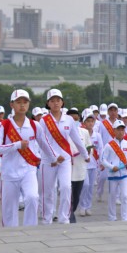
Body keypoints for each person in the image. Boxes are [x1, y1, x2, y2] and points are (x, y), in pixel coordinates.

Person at [0, 90, 52, 227]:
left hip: (28, 170)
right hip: (9, 172)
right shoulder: (4, 125)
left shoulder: (34, 125)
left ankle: (30, 230)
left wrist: (54, 158)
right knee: (9, 209)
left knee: (32, 197)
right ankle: (10, 235)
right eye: (18, 102)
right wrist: (17, 145)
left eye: (25, 102)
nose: (22, 105)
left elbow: (45, 145)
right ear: (11, 105)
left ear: (29, 104)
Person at [38, 89, 91, 225]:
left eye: (58, 100)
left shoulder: (69, 120)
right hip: (48, 160)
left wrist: (85, 154)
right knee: (48, 191)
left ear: (62, 102)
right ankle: (47, 219)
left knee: (66, 187)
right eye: (52, 101)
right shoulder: (44, 121)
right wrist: (54, 156)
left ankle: (64, 218)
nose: (55, 103)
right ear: (48, 103)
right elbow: (42, 142)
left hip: (65, 159)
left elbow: (77, 139)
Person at [99, 120, 127, 221]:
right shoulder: (109, 145)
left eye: (122, 129)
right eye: (118, 129)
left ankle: (125, 218)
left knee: (126, 196)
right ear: (114, 130)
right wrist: (111, 166)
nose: (120, 131)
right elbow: (102, 160)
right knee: (112, 196)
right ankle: (112, 217)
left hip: (124, 174)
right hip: (112, 175)